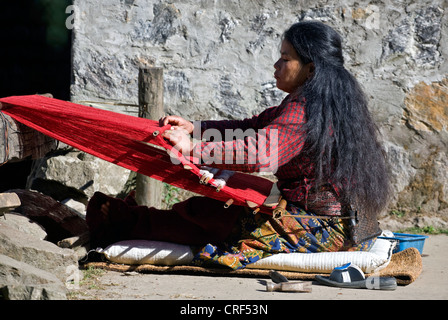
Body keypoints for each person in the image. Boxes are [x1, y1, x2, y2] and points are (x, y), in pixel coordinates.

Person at [86, 21, 390, 270]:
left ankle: (122, 221)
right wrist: (197, 128)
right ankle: (129, 219)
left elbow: (262, 153)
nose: (276, 65)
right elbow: (255, 125)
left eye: (286, 59)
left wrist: (192, 148)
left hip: (322, 230)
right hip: (341, 222)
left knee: (214, 217)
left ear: (311, 69)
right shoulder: (323, 100)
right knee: (211, 210)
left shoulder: (306, 110)